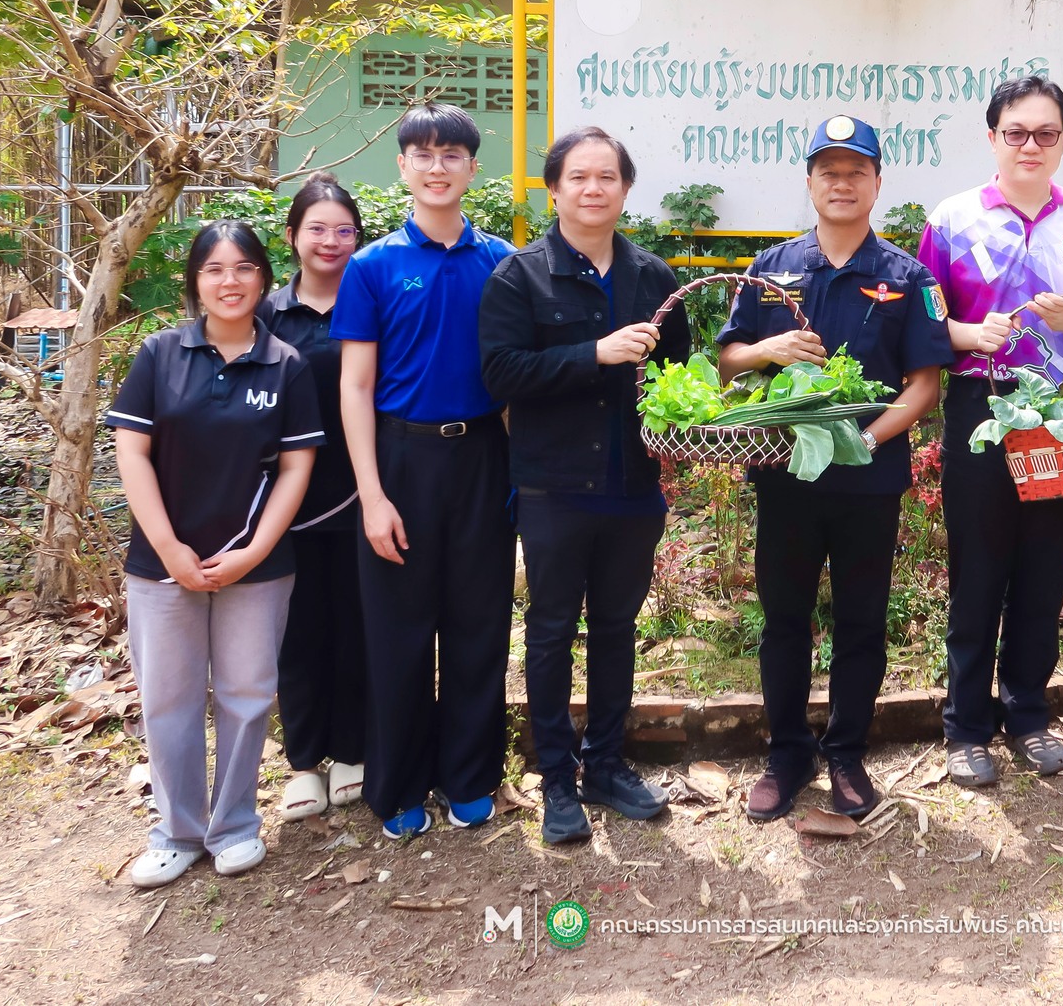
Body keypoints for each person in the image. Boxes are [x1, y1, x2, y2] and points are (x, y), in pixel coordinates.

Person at [717, 116, 954, 821]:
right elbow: (727, 357)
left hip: (867, 480)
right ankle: (786, 751)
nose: (842, 182)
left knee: (860, 619)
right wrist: (768, 351)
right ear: (811, 181)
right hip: (786, 477)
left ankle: (846, 749)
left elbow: (923, 385)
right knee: (783, 619)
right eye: (829, 170)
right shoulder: (772, 270)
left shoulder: (908, 277)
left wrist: (867, 440)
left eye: (857, 170)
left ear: (878, 182)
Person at [479, 127, 693, 845]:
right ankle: (556, 781)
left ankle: (607, 763)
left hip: (632, 485)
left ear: (625, 189)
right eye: (579, 176)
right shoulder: (520, 275)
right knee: (548, 632)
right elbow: (501, 373)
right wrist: (592, 354)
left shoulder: (654, 278)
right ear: (555, 188)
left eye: (607, 176)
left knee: (615, 629)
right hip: (554, 486)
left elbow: (681, 375)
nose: (593, 188)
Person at [917, 75, 1063, 786]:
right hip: (981, 403)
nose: (1030, 145)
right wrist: (972, 333)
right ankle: (965, 724)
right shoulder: (952, 218)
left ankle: (1029, 713)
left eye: (1045, 133)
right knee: (979, 566)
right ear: (992, 137)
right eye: (1016, 132)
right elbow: (921, 323)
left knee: (1046, 565)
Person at [109, 220, 324, 887]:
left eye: (243, 268)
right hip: (161, 565)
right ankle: (176, 831)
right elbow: (132, 452)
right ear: (195, 282)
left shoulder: (287, 364)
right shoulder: (159, 354)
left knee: (246, 693)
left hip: (255, 566)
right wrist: (169, 545)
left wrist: (256, 548)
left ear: (263, 277)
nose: (229, 281)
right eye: (214, 269)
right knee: (168, 698)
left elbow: (296, 467)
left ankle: (233, 825)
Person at [335, 103, 516, 837]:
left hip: (481, 454)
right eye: (423, 153)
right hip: (400, 458)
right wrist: (371, 496)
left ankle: (471, 777)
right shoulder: (373, 266)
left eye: (452, 154)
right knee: (399, 629)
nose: (437, 166)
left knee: (478, 624)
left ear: (474, 168)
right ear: (403, 167)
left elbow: (516, 376)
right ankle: (401, 784)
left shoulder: (501, 261)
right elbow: (353, 385)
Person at [262, 172, 369, 819]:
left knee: (358, 625)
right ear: (293, 236)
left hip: (364, 496)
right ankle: (303, 761)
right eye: (317, 229)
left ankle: (355, 749)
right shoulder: (265, 313)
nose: (331, 241)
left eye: (344, 230)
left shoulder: (374, 298)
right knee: (296, 632)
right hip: (284, 503)